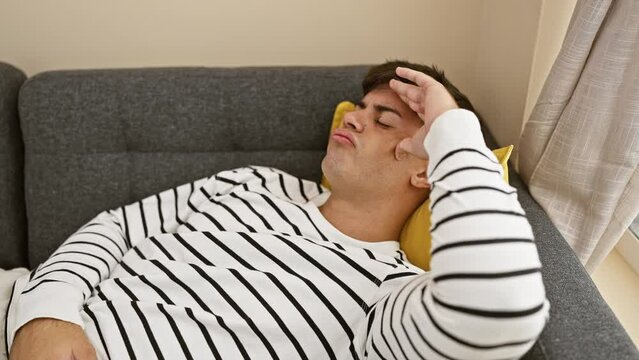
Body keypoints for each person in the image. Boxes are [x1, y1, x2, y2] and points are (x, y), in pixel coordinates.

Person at [6, 61, 549, 360]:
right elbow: (114, 229)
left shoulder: (389, 297)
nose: (355, 119)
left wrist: (455, 133)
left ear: (428, 167)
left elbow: (500, 308)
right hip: (21, 304)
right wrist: (44, 314)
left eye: (385, 122)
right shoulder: (257, 182)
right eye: (361, 108)